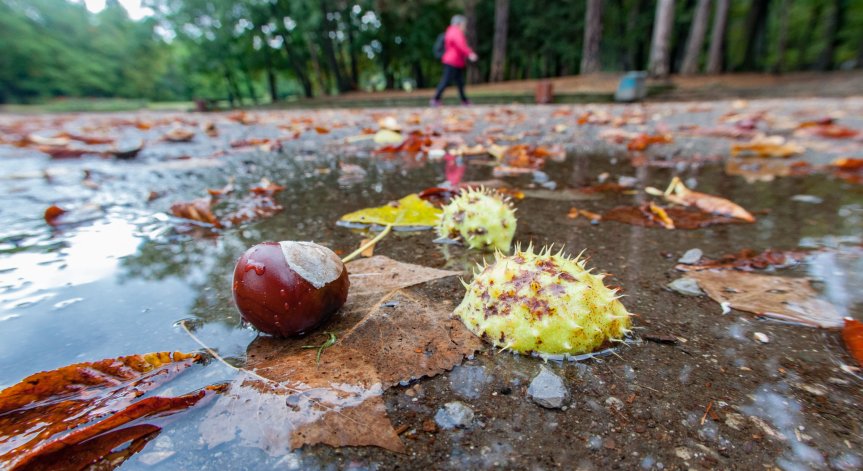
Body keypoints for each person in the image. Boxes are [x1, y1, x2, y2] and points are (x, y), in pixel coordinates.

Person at [431, 15, 478, 106]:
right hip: (452, 61)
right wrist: (470, 53)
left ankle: (464, 100)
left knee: (459, 82)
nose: (465, 27)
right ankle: (435, 98)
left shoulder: (451, 31)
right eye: (464, 24)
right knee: (446, 81)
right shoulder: (455, 32)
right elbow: (460, 45)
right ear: (459, 24)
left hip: (455, 61)